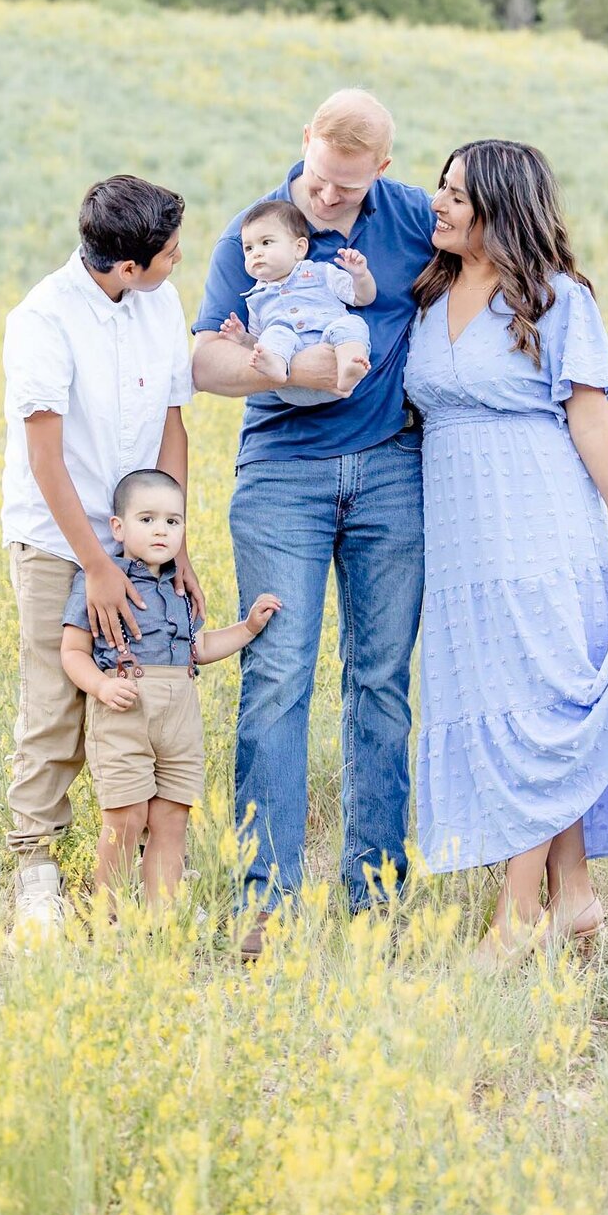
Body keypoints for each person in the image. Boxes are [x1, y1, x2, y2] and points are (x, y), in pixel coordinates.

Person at [402, 139, 608, 965]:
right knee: (510, 699)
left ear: (500, 204)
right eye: (439, 187)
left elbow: (591, 418)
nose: (439, 204)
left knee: (540, 702)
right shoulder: (430, 292)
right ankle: (577, 897)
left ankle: (519, 913)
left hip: (539, 522)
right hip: (461, 539)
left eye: (456, 193)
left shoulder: (554, 298)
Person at [192, 88, 435, 951]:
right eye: (318, 180)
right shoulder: (255, 231)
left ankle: (374, 894)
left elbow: (490, 260)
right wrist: (303, 370)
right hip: (282, 475)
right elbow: (207, 361)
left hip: (391, 472)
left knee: (379, 681)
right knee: (276, 676)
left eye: (346, 188)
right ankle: (266, 898)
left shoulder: (411, 217)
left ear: (382, 170)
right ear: (304, 143)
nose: (325, 200)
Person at [1, 175, 201, 935]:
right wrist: (96, 563)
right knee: (56, 700)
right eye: (171, 253)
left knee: (143, 685)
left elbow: (172, 426)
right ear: (127, 266)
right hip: (60, 536)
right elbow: (46, 460)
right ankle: (38, 873)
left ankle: (138, 877)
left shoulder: (161, 303)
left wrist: (173, 537)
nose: (180, 260)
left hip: (142, 533)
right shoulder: (42, 318)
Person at [60, 468, 281, 909]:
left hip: (180, 719)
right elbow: (73, 652)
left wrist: (248, 628)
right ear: (118, 528)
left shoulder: (180, 589)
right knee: (125, 817)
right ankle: (109, 915)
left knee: (171, 818)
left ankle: (163, 922)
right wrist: (101, 687)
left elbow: (198, 647)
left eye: (172, 521)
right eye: (147, 519)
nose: (161, 529)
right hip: (125, 711)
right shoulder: (100, 582)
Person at [219, 198, 375, 397]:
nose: (256, 253)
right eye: (248, 248)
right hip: (294, 381)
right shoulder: (256, 298)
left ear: (299, 248)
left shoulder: (322, 273)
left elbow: (362, 298)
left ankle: (349, 367)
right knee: (275, 333)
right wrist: (243, 339)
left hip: (331, 351)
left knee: (352, 323)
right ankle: (276, 367)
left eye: (266, 243)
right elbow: (259, 342)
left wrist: (360, 275)